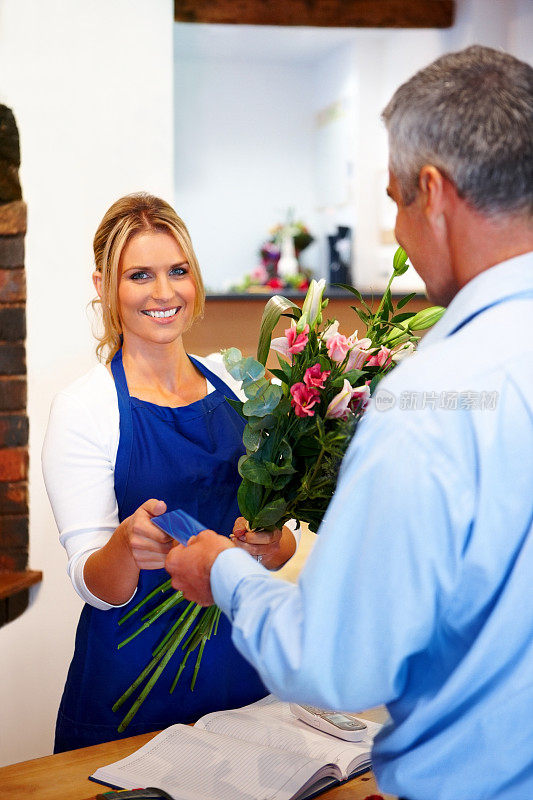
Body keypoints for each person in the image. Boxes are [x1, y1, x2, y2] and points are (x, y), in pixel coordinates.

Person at [165, 45, 533, 800]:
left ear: (432, 192)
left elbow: (336, 664)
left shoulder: (435, 400)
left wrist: (224, 575)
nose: (396, 231)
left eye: (395, 200)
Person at [42, 192, 299, 752]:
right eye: (140, 275)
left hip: (243, 669)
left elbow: (277, 546)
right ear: (104, 286)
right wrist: (124, 545)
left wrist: (268, 543)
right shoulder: (84, 409)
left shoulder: (239, 385)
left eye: (177, 271)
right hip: (134, 683)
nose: (164, 293)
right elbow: (94, 585)